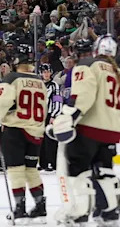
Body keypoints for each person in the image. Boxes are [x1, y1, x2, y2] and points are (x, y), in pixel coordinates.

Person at [53, 35, 120, 225]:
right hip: (111, 131)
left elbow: (82, 97)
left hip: (88, 128)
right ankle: (109, 213)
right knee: (104, 171)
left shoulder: (87, 64)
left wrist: (67, 119)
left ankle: (79, 213)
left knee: (78, 171)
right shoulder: (117, 71)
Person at [0, 45, 47, 222]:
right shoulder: (40, 81)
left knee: (15, 169)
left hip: (16, 130)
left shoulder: (12, 78)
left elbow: (0, 104)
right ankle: (40, 205)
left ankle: (20, 208)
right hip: (36, 130)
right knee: (31, 169)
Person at [38, 64, 62, 172]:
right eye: (44, 72)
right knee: (40, 140)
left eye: (48, 72)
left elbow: (58, 101)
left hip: (50, 115)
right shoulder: (38, 85)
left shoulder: (54, 85)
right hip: (39, 116)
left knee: (51, 141)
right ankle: (43, 163)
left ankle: (52, 163)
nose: (46, 74)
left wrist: (54, 115)